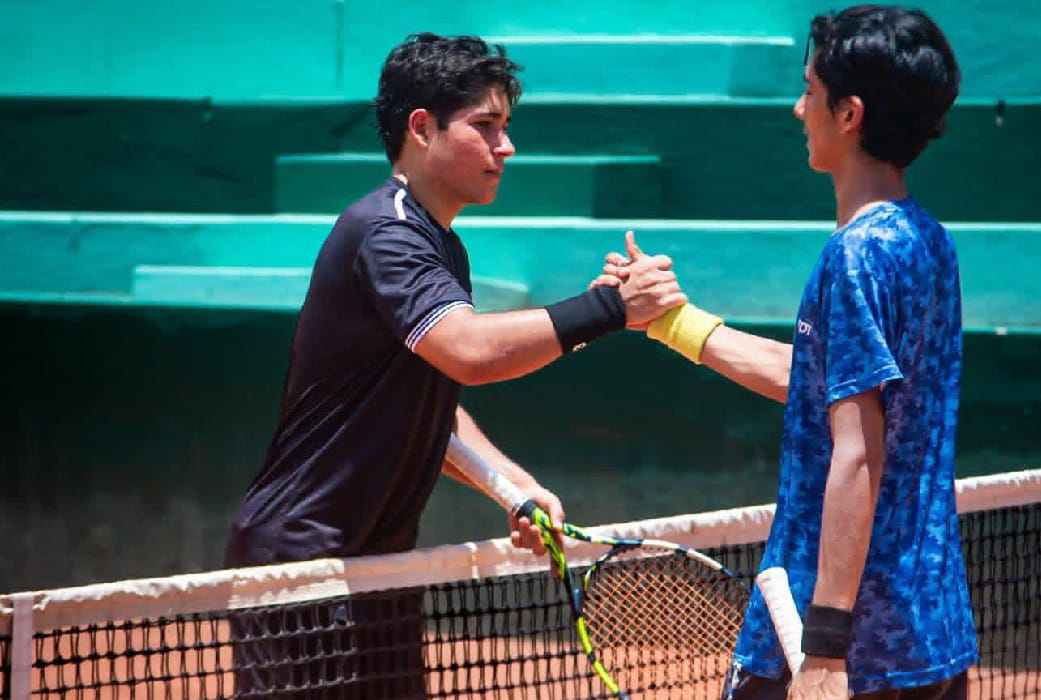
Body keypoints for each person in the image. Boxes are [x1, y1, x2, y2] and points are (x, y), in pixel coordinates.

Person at [222, 33, 685, 698]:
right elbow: (469, 352)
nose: (507, 146)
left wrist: (511, 486)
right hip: (303, 563)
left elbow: (427, 403)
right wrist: (609, 308)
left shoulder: (441, 246)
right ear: (421, 129)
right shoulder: (385, 232)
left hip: (380, 568)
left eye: (507, 127)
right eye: (485, 126)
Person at [600, 6, 976, 699]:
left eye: (809, 90)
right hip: (930, 632)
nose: (798, 108)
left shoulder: (855, 255)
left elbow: (858, 451)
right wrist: (673, 322)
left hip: (846, 645)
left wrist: (826, 648)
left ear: (849, 114)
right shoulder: (928, 240)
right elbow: (815, 381)